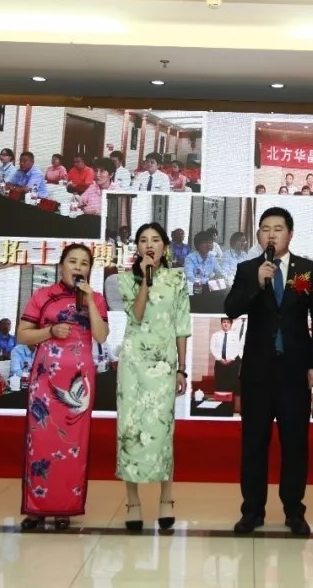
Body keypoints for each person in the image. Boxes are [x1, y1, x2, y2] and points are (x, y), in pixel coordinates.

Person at [224, 207, 313, 535]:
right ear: (258, 235)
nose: (271, 234)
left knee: (295, 444)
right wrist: (256, 284)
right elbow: (231, 307)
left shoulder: (306, 270)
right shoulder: (248, 269)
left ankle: (294, 511)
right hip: (258, 372)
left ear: (290, 234)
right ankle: (252, 511)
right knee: (254, 444)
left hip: (295, 372)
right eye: (265, 229)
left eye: (278, 228)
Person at [16, 244, 109, 531]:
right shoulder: (43, 296)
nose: (78, 267)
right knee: (41, 441)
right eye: (72, 261)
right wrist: (50, 331)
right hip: (46, 381)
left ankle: (64, 507)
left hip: (79, 385)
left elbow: (101, 336)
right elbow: (22, 335)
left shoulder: (96, 298)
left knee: (73, 445)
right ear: (61, 265)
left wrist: (90, 301)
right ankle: (36, 508)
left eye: (84, 263)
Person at [115, 223, 191, 530]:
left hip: (164, 366)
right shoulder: (125, 279)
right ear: (137, 248)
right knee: (130, 431)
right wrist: (145, 281)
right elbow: (136, 315)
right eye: (144, 240)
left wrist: (182, 368)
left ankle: (166, 499)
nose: (149, 245)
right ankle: (133, 501)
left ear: (165, 247)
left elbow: (182, 326)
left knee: (162, 431)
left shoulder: (177, 279)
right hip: (133, 366)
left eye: (155, 240)